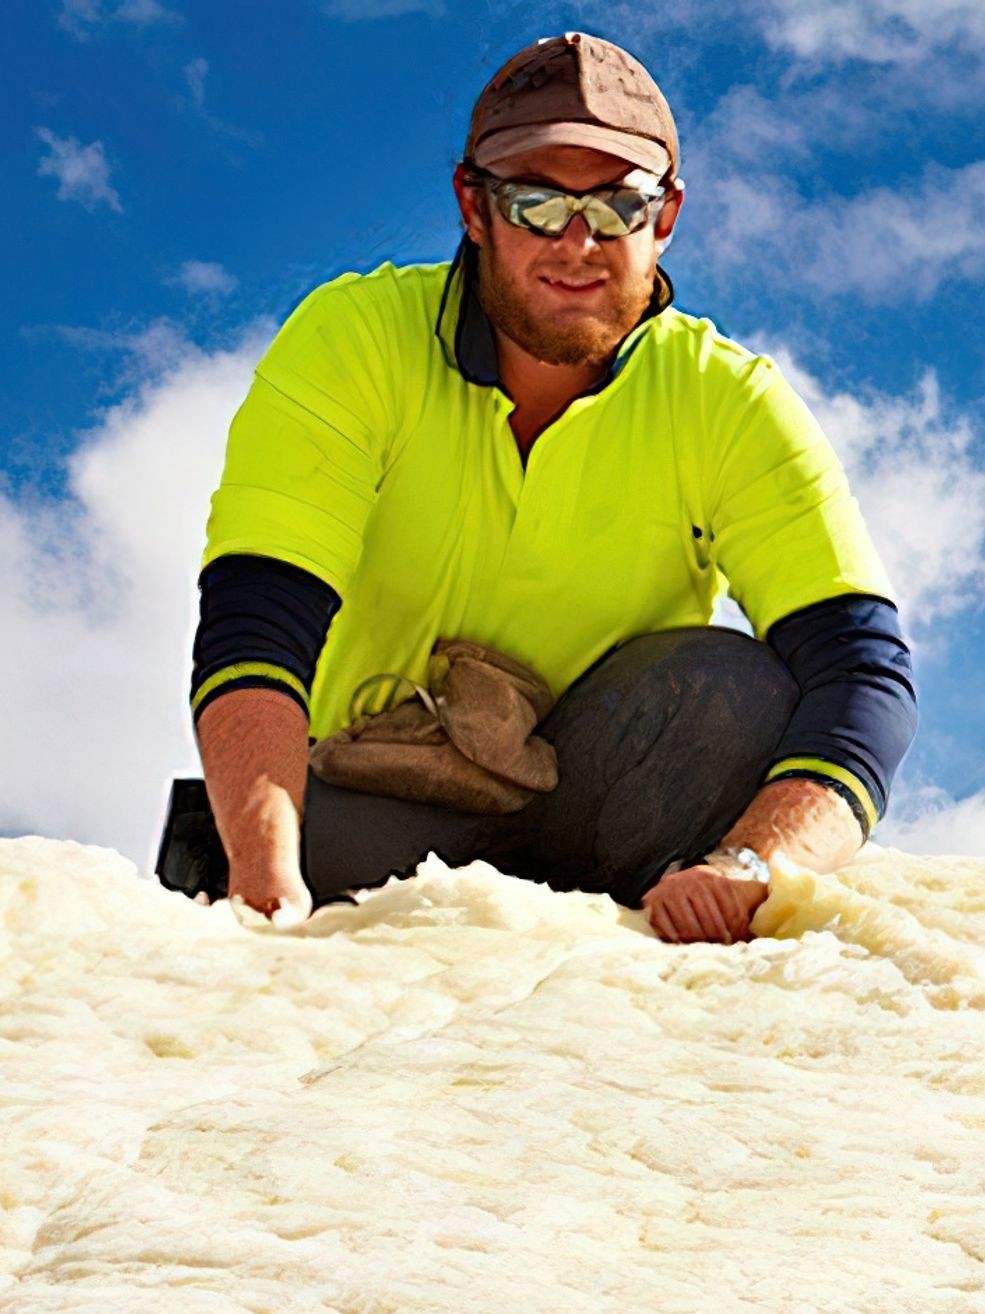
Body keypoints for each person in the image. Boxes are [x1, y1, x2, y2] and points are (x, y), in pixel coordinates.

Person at [166, 30, 917, 946]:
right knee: (271, 854)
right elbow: (257, 623)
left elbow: (862, 670)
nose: (576, 243)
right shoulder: (351, 340)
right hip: (358, 817)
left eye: (616, 207)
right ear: (473, 208)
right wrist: (264, 875)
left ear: (666, 216)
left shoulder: (731, 402)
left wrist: (751, 865)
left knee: (734, 685)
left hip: (597, 824)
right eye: (534, 202)